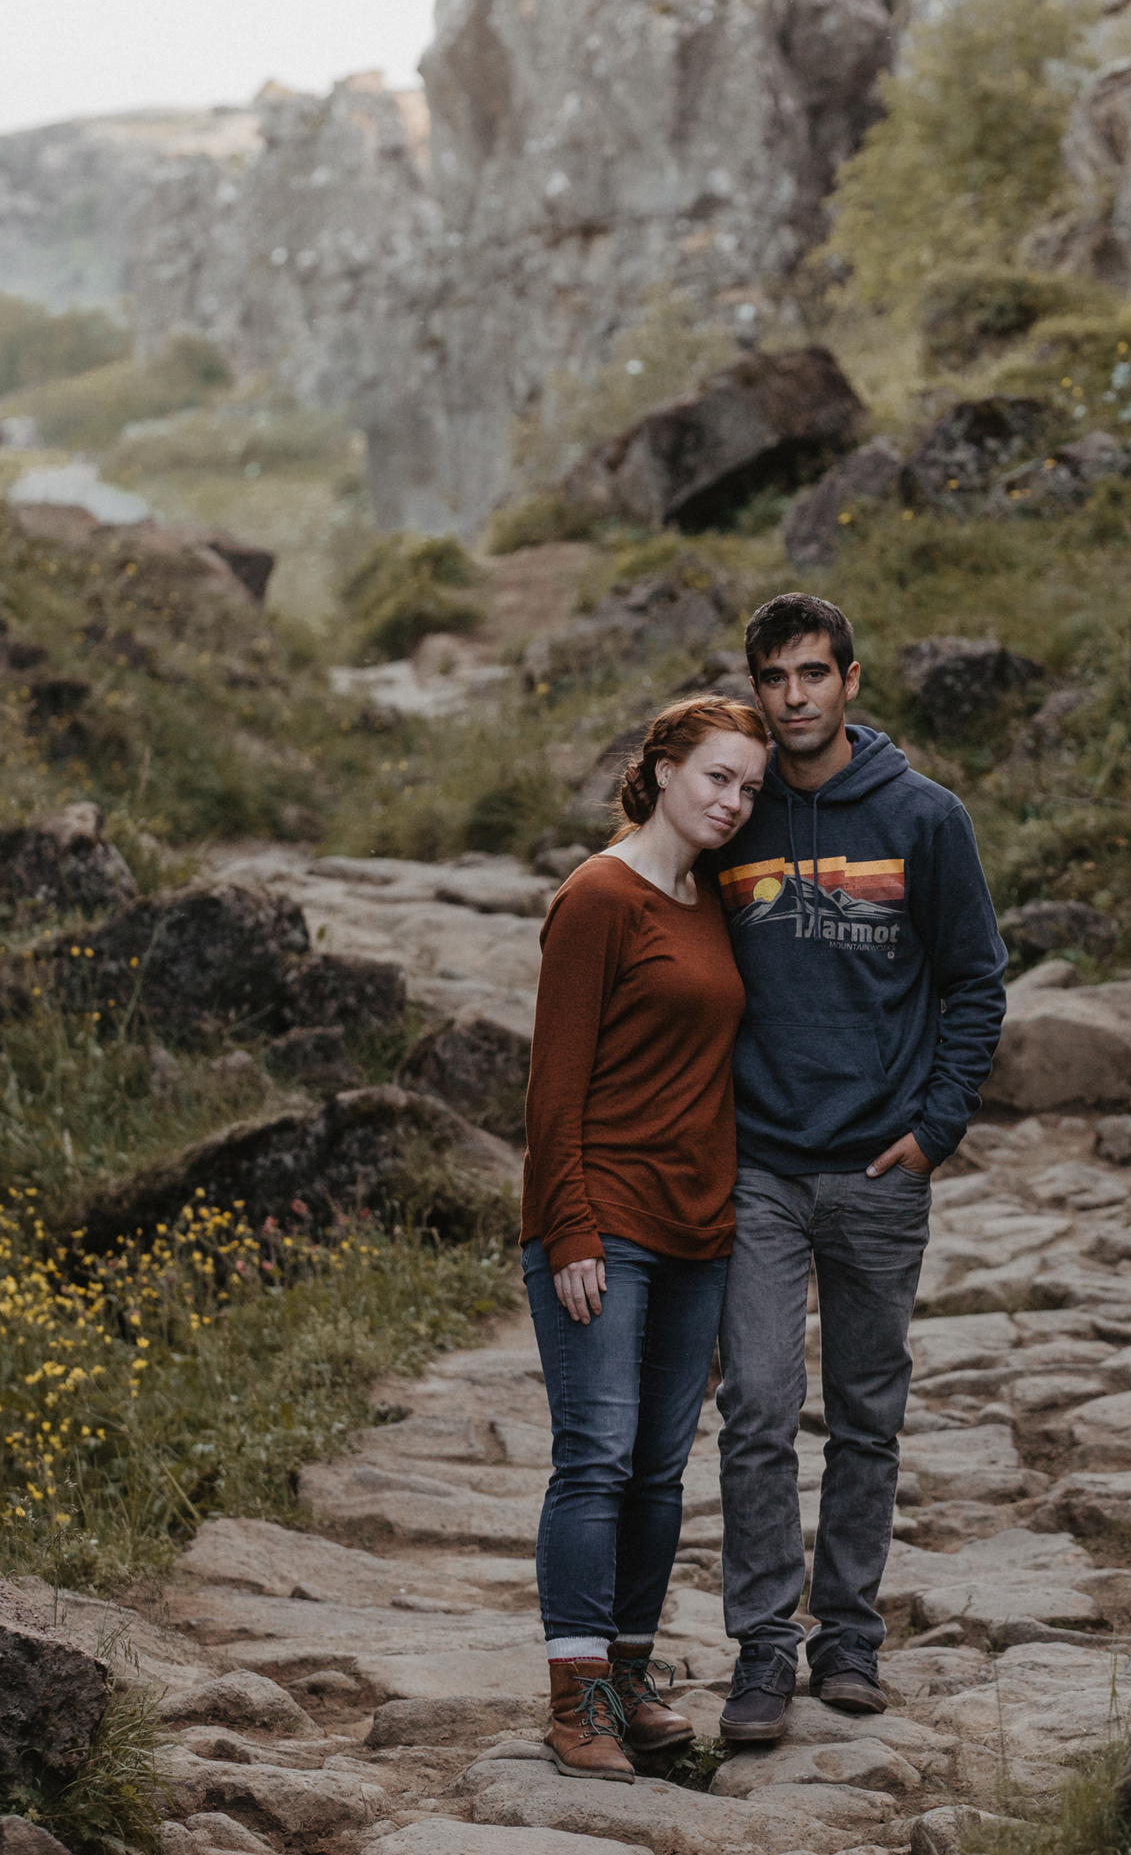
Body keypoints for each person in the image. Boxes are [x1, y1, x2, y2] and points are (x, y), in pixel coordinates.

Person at [712, 593, 1008, 1737]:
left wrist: (935, 1130)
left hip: (881, 1168)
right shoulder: (731, 813)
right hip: (762, 1167)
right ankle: (760, 1650)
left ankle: (850, 1635)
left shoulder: (924, 816)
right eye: (776, 676)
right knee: (758, 1410)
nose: (796, 695)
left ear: (850, 680)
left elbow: (975, 978)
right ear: (755, 685)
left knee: (866, 1415)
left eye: (814, 673)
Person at [522, 693, 772, 1782]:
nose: (734, 801)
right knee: (597, 1459)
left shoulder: (713, 900)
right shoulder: (597, 895)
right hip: (602, 1226)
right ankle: (574, 1700)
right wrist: (568, 1225)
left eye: (751, 787)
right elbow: (551, 1089)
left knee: (662, 1472)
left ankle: (629, 1675)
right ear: (662, 768)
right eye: (717, 776)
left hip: (695, 1232)